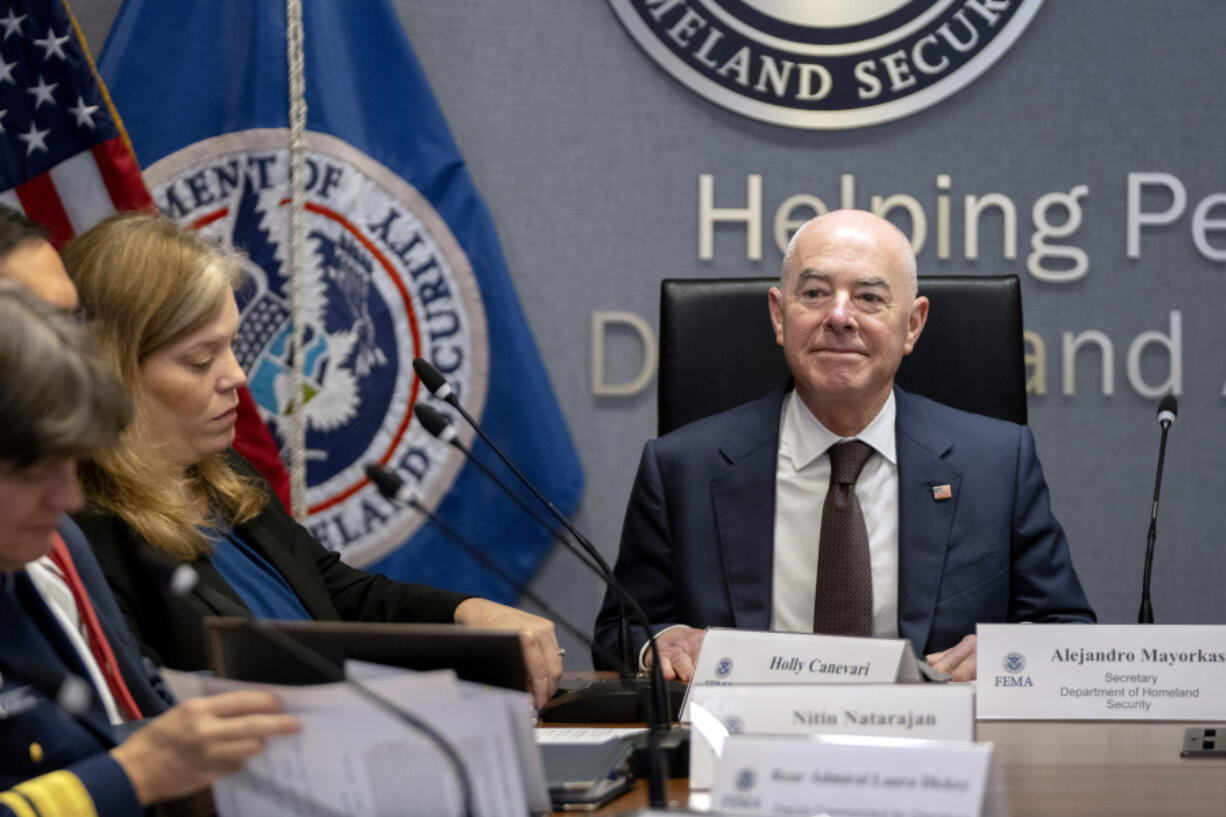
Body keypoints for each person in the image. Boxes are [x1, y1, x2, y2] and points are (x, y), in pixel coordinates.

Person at [62, 212, 563, 708]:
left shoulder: (224, 474)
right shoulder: (83, 529)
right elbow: (135, 704)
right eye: (201, 358)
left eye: (233, 346)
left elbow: (339, 599)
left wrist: (469, 614)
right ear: (114, 373)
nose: (237, 375)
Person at [594, 210, 1095, 683]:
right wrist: (662, 642)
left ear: (913, 324)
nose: (839, 316)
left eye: (870, 298)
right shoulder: (682, 468)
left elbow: (1066, 628)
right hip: (746, 750)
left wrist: (1014, 651)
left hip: (935, 753)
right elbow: (619, 632)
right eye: (814, 293)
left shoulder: (998, 464)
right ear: (778, 314)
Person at [0, 280, 301, 816]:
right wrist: (134, 775)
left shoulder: (19, 557)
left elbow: (103, 714)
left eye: (71, 464)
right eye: (34, 471)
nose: (68, 497)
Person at [0, 206, 173, 721]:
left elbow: (132, 691)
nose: (79, 349)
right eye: (43, 321)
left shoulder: (58, 534)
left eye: (74, 319)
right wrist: (139, 770)